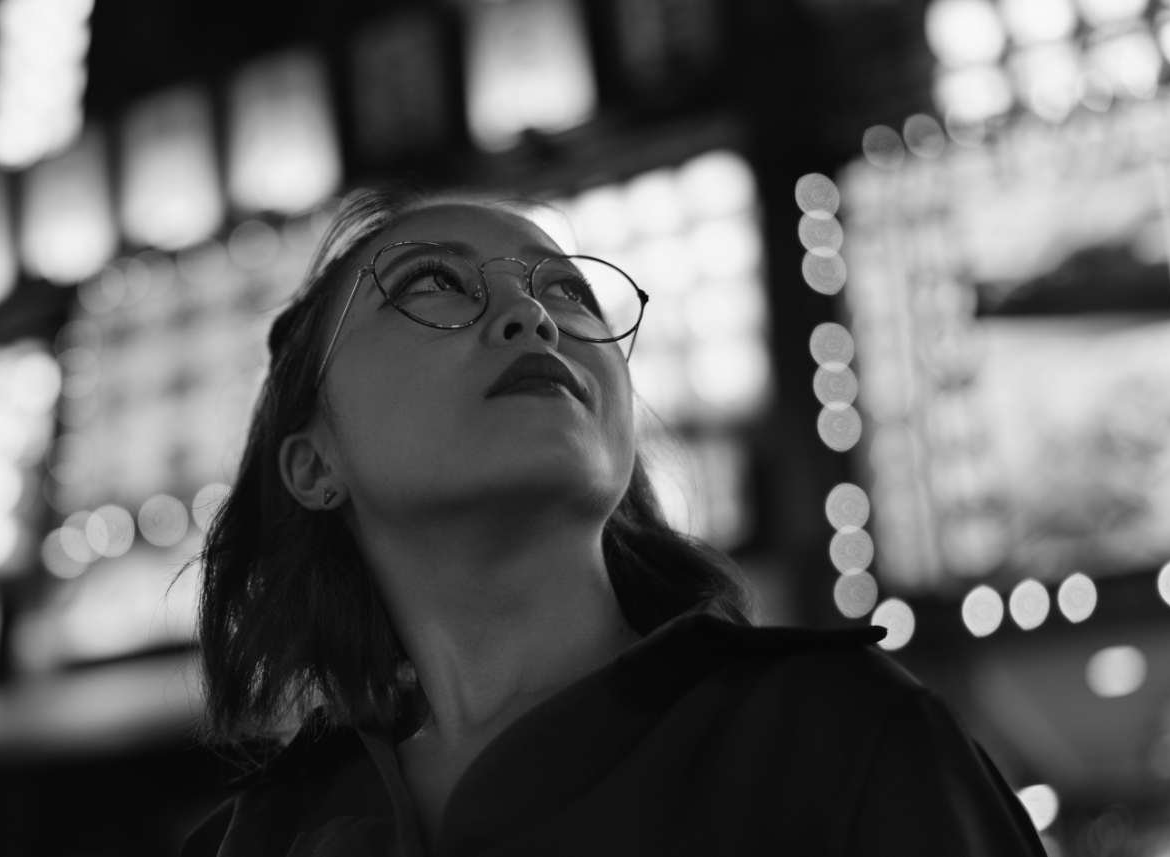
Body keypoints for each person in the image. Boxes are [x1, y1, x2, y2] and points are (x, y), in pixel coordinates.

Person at [182, 186, 1044, 857]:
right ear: (313, 462)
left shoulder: (831, 732)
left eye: (568, 292)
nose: (534, 317)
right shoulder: (258, 838)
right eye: (433, 284)